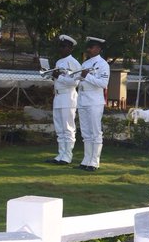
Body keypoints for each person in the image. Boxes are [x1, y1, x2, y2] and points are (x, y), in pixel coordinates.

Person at [76, 36, 111, 172]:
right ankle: (86, 160)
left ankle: (94, 162)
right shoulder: (85, 63)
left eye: (91, 47)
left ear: (98, 49)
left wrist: (87, 76)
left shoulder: (103, 64)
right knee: (85, 132)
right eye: (88, 47)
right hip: (83, 99)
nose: (89, 49)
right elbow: (80, 80)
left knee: (95, 132)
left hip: (94, 101)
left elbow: (103, 83)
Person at [46, 34, 81, 166]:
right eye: (60, 46)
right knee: (59, 128)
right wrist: (51, 75)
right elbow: (58, 79)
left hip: (68, 96)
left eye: (64, 46)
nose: (61, 49)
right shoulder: (59, 62)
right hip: (58, 96)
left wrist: (59, 77)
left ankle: (67, 155)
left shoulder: (74, 63)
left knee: (68, 128)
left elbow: (75, 82)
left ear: (70, 48)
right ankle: (61, 154)